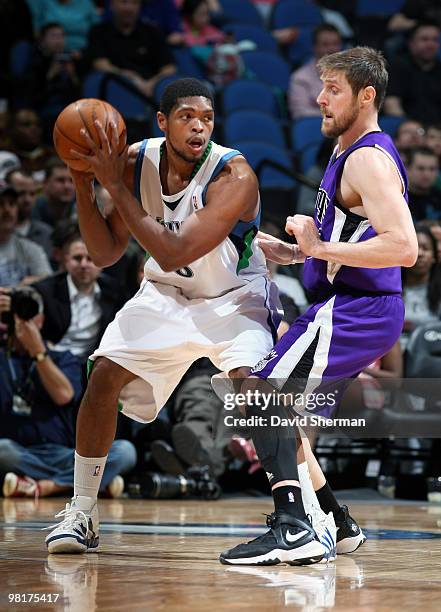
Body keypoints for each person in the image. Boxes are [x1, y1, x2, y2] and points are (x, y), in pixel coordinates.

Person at [44, 77, 283, 554]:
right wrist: (81, 180)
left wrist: (110, 183)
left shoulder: (233, 176)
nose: (199, 127)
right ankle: (82, 511)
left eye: (207, 118)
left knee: (252, 389)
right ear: (162, 121)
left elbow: (174, 251)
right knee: (104, 374)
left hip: (233, 297)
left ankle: (300, 512)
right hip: (167, 295)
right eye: (186, 117)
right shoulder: (134, 163)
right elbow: (107, 253)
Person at [219, 46, 419, 565]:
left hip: (358, 308)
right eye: (321, 86)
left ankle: (294, 529)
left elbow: (404, 246)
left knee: (259, 396)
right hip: (351, 304)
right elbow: (352, 237)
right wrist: (294, 255)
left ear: (366, 95)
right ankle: (335, 521)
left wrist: (319, 249)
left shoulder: (368, 159)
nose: (321, 98)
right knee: (287, 420)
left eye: (333, 89)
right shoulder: (344, 150)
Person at [0, 287, 136, 499]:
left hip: (64, 453)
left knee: (125, 452)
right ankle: (97, 483)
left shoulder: (63, 358)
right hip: (22, 453)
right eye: (13, 315)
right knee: (3, 451)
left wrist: (38, 353)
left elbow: (63, 394)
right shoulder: (3, 359)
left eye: (28, 314)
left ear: (41, 321)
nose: (21, 321)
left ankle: (45, 486)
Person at [33, 233, 126, 364]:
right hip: (56, 358)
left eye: (90, 258)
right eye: (77, 258)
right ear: (66, 261)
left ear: (102, 262)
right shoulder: (46, 290)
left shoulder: (114, 291)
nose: (84, 264)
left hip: (94, 359)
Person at [384, 22, 441, 157]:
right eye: (424, 39)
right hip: (409, 133)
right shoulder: (398, 68)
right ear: (411, 43)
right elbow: (392, 105)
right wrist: (416, 133)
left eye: (435, 40)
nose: (430, 44)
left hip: (437, 135)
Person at [86, 0, 176, 99]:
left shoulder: (153, 32)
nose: (129, 8)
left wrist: (152, 84)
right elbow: (100, 65)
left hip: (151, 94)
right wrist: (131, 79)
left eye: (134, 3)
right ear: (111, 5)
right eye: (124, 2)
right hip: (116, 91)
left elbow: (169, 68)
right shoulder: (98, 32)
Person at [0, 185, 52, 287]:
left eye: (12, 204)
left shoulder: (29, 248)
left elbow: (49, 281)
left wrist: (36, 281)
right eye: (0, 204)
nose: (7, 210)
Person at [288, 24, 343, 120]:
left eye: (335, 44)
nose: (332, 49)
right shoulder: (300, 77)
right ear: (315, 47)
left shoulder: (352, 75)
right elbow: (299, 112)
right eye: (325, 45)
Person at [5, 168, 52, 257]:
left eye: (32, 194)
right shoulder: (3, 233)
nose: (28, 200)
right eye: (21, 193)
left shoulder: (47, 233)